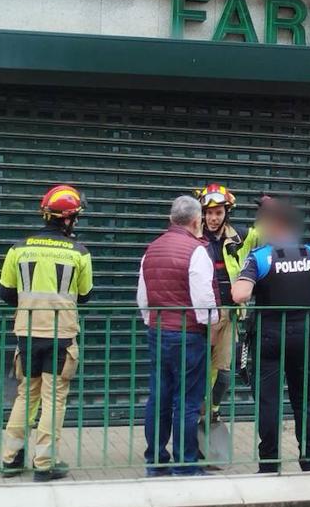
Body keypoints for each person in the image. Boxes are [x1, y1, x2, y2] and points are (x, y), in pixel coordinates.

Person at [232, 195, 310, 473]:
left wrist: (257, 286)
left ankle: (269, 464)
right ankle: (309, 461)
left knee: (269, 402)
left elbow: (240, 294)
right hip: (303, 333)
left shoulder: (260, 257)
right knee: (304, 402)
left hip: (269, 334)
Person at [0, 184, 93, 482]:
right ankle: (45, 463)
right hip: (61, 335)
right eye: (74, 217)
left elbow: (6, 292)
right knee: (54, 399)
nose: (75, 222)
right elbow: (86, 295)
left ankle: (11, 459)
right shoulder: (79, 252)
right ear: (66, 219)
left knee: (27, 394)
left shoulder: (18, 248)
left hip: (26, 333)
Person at [137, 196, 219, 476]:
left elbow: (143, 297)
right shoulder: (197, 251)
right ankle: (185, 465)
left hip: (158, 332)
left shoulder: (152, 248)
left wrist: (152, 323)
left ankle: (156, 462)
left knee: (158, 397)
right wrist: (211, 325)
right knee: (187, 401)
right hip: (188, 335)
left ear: (172, 219)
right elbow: (204, 300)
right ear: (197, 221)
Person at [195, 183, 258, 420]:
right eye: (209, 213)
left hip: (229, 314)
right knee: (199, 369)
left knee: (222, 372)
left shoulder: (241, 236)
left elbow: (270, 234)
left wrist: (272, 211)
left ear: (226, 213)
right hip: (202, 314)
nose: (212, 218)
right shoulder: (194, 236)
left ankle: (212, 412)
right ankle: (196, 415)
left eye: (218, 213)